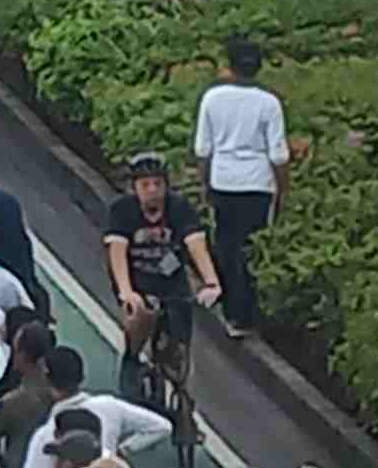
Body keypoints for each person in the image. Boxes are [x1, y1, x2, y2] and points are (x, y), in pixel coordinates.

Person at [191, 36, 293, 333]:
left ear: (229, 65)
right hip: (258, 184)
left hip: (223, 180)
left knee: (226, 244)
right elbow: (278, 155)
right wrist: (283, 190)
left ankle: (232, 309)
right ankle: (248, 312)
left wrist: (205, 183)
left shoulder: (212, 99)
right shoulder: (269, 103)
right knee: (251, 248)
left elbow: (203, 150)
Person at [100, 152, 207, 416]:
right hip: (137, 281)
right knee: (142, 314)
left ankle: (179, 387)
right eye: (145, 185)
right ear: (134, 187)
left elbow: (195, 244)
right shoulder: (122, 210)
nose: (152, 191)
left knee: (180, 338)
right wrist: (126, 291)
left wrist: (211, 281)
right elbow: (117, 250)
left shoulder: (179, 208)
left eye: (158, 184)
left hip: (172, 283)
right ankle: (132, 357)